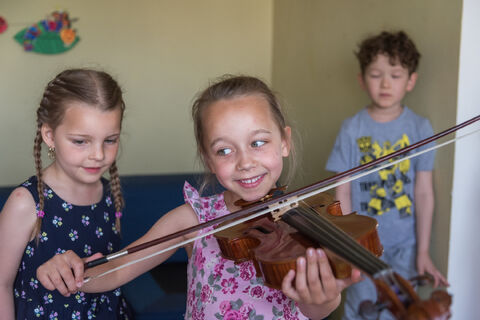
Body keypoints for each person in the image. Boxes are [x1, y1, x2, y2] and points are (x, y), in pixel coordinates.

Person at [37, 75, 361, 320]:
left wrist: (322, 298)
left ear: (284, 142)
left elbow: (317, 311)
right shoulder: (194, 219)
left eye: (258, 142)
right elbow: (120, 268)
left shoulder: (307, 224)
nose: (245, 161)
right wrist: (71, 274)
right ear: (207, 158)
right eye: (224, 150)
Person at [325, 31, 449, 319]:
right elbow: (342, 190)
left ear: (410, 81)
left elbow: (424, 192)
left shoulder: (420, 127)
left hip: (405, 244)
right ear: (361, 79)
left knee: (402, 310)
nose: (384, 83)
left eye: (395, 75)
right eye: (375, 74)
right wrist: (346, 239)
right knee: (363, 309)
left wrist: (423, 250)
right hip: (363, 244)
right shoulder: (351, 128)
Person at [0, 69, 133, 319]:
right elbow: (1, 284)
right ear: (50, 135)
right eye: (81, 141)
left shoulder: (109, 194)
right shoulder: (25, 203)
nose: (98, 154)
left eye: (110, 140)